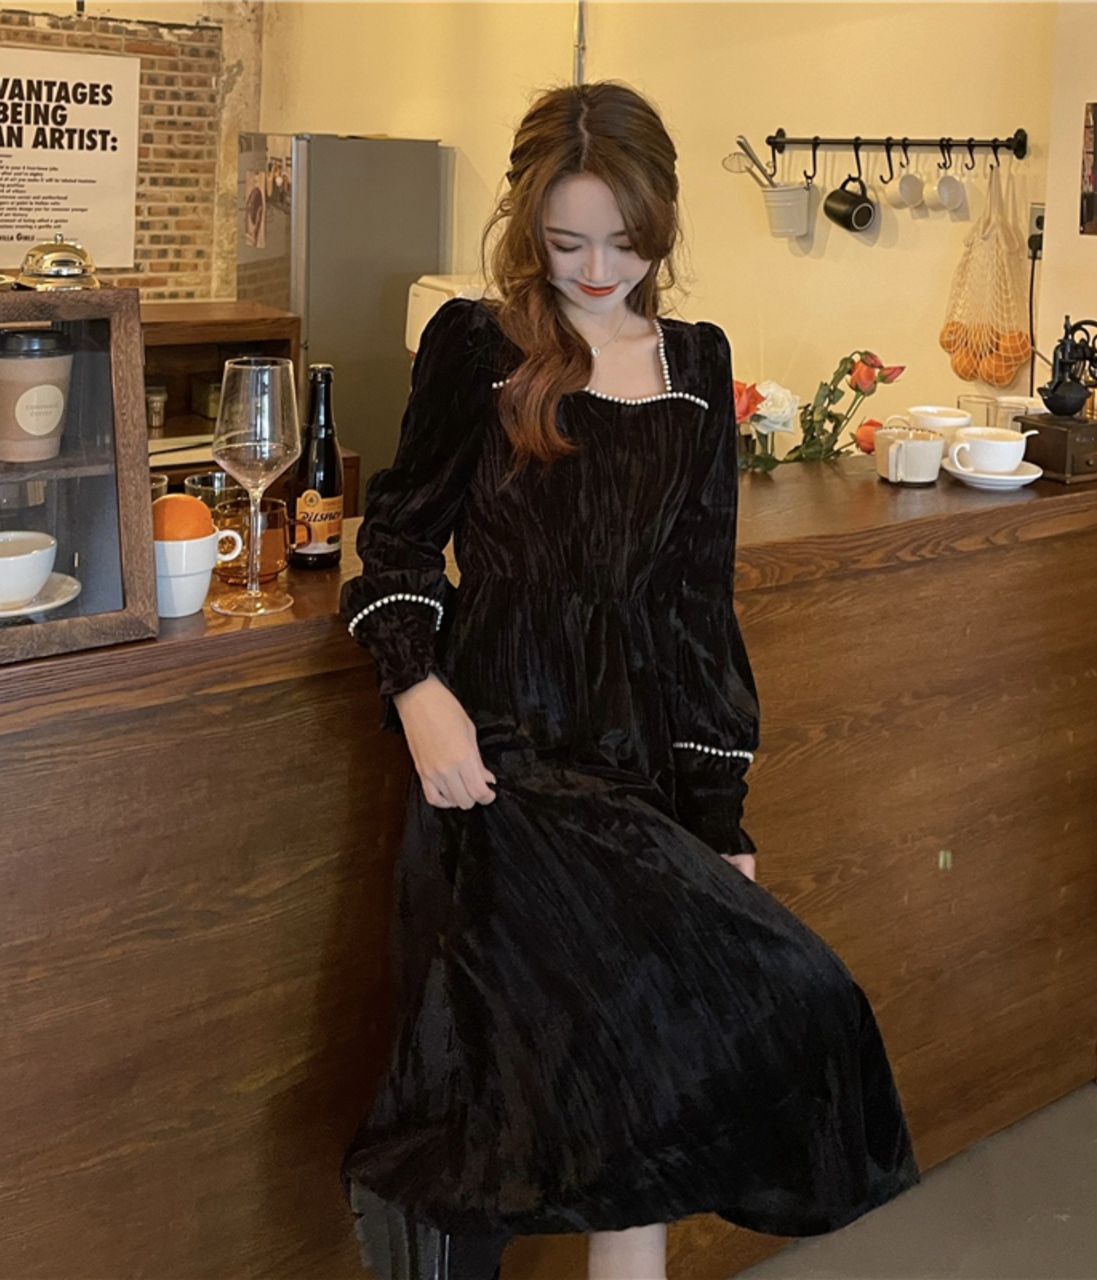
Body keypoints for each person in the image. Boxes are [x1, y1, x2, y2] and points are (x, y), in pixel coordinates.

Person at [339, 81, 919, 1280]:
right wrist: (415, 690)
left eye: (624, 241)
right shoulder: (475, 346)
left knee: (674, 1073)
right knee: (500, 1105)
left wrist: (717, 813)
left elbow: (695, 604)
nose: (597, 271)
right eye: (566, 243)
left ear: (661, 224)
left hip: (637, 769)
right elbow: (393, 539)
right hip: (497, 768)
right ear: (526, 226)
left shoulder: (696, 365)